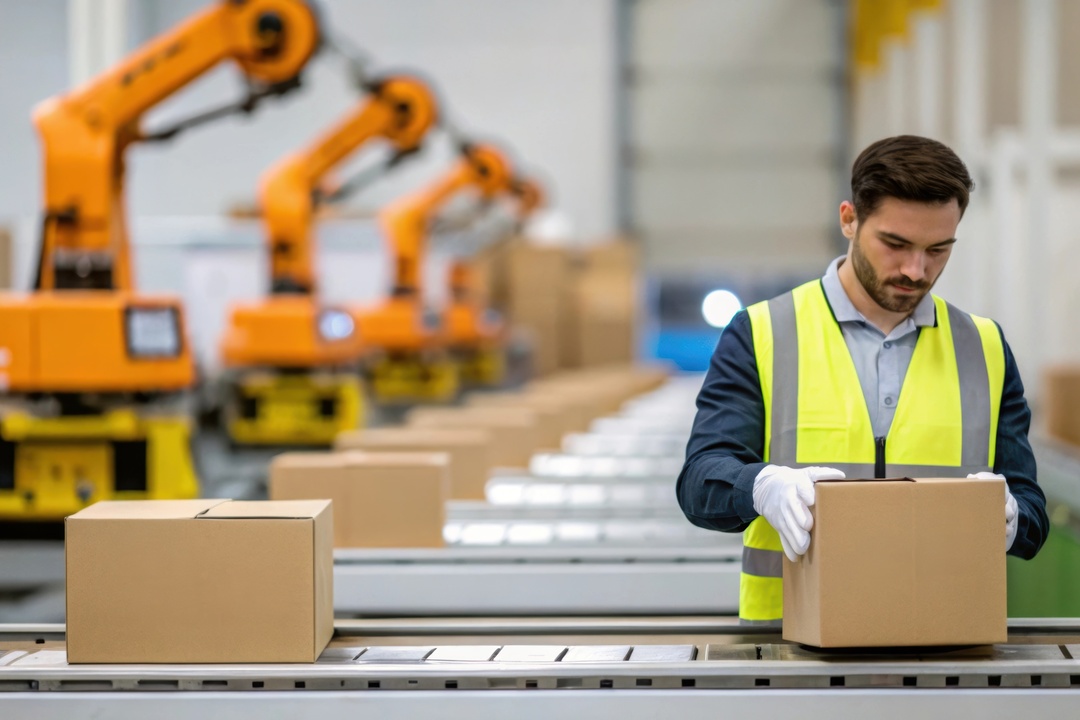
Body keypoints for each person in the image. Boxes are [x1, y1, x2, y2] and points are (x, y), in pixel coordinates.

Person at [676, 135, 1049, 626]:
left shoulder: (984, 347)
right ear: (849, 219)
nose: (916, 270)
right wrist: (760, 486)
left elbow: (1031, 509)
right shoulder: (763, 332)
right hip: (792, 651)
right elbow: (700, 481)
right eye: (895, 244)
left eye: (938, 249)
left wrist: (1012, 518)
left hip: (946, 647)